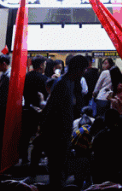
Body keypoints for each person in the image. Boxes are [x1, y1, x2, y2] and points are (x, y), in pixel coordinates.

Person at [39, 55, 89, 190]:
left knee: (59, 170)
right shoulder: (63, 84)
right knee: (57, 171)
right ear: (78, 69)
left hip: (61, 134)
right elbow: (53, 111)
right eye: (83, 70)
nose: (83, 73)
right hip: (57, 135)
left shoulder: (68, 83)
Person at [91, 109, 122, 184]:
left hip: (102, 176)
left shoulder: (99, 136)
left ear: (105, 120)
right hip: (120, 175)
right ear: (118, 120)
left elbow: (95, 157)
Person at [20, 56, 48, 164]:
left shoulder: (26, 76)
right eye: (44, 64)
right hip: (40, 110)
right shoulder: (44, 79)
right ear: (41, 65)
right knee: (40, 134)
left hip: (27, 108)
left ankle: (24, 158)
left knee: (25, 135)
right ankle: (38, 157)